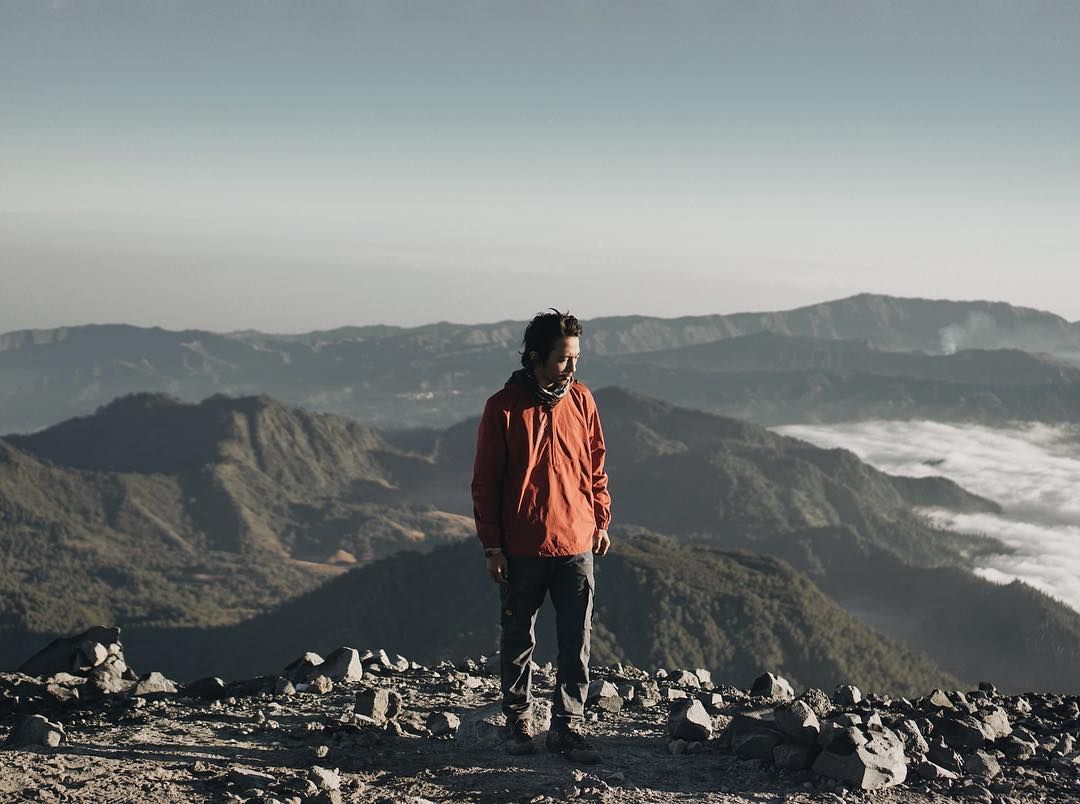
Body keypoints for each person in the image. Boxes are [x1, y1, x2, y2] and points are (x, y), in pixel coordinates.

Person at [471, 308, 612, 763]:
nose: (571, 368)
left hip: (576, 540)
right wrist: (492, 545)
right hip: (522, 544)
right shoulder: (503, 408)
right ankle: (518, 722)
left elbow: (595, 465)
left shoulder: (582, 399)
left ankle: (567, 726)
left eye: (576, 358)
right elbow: (486, 481)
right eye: (562, 359)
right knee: (518, 635)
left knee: (576, 638)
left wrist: (601, 521)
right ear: (535, 356)